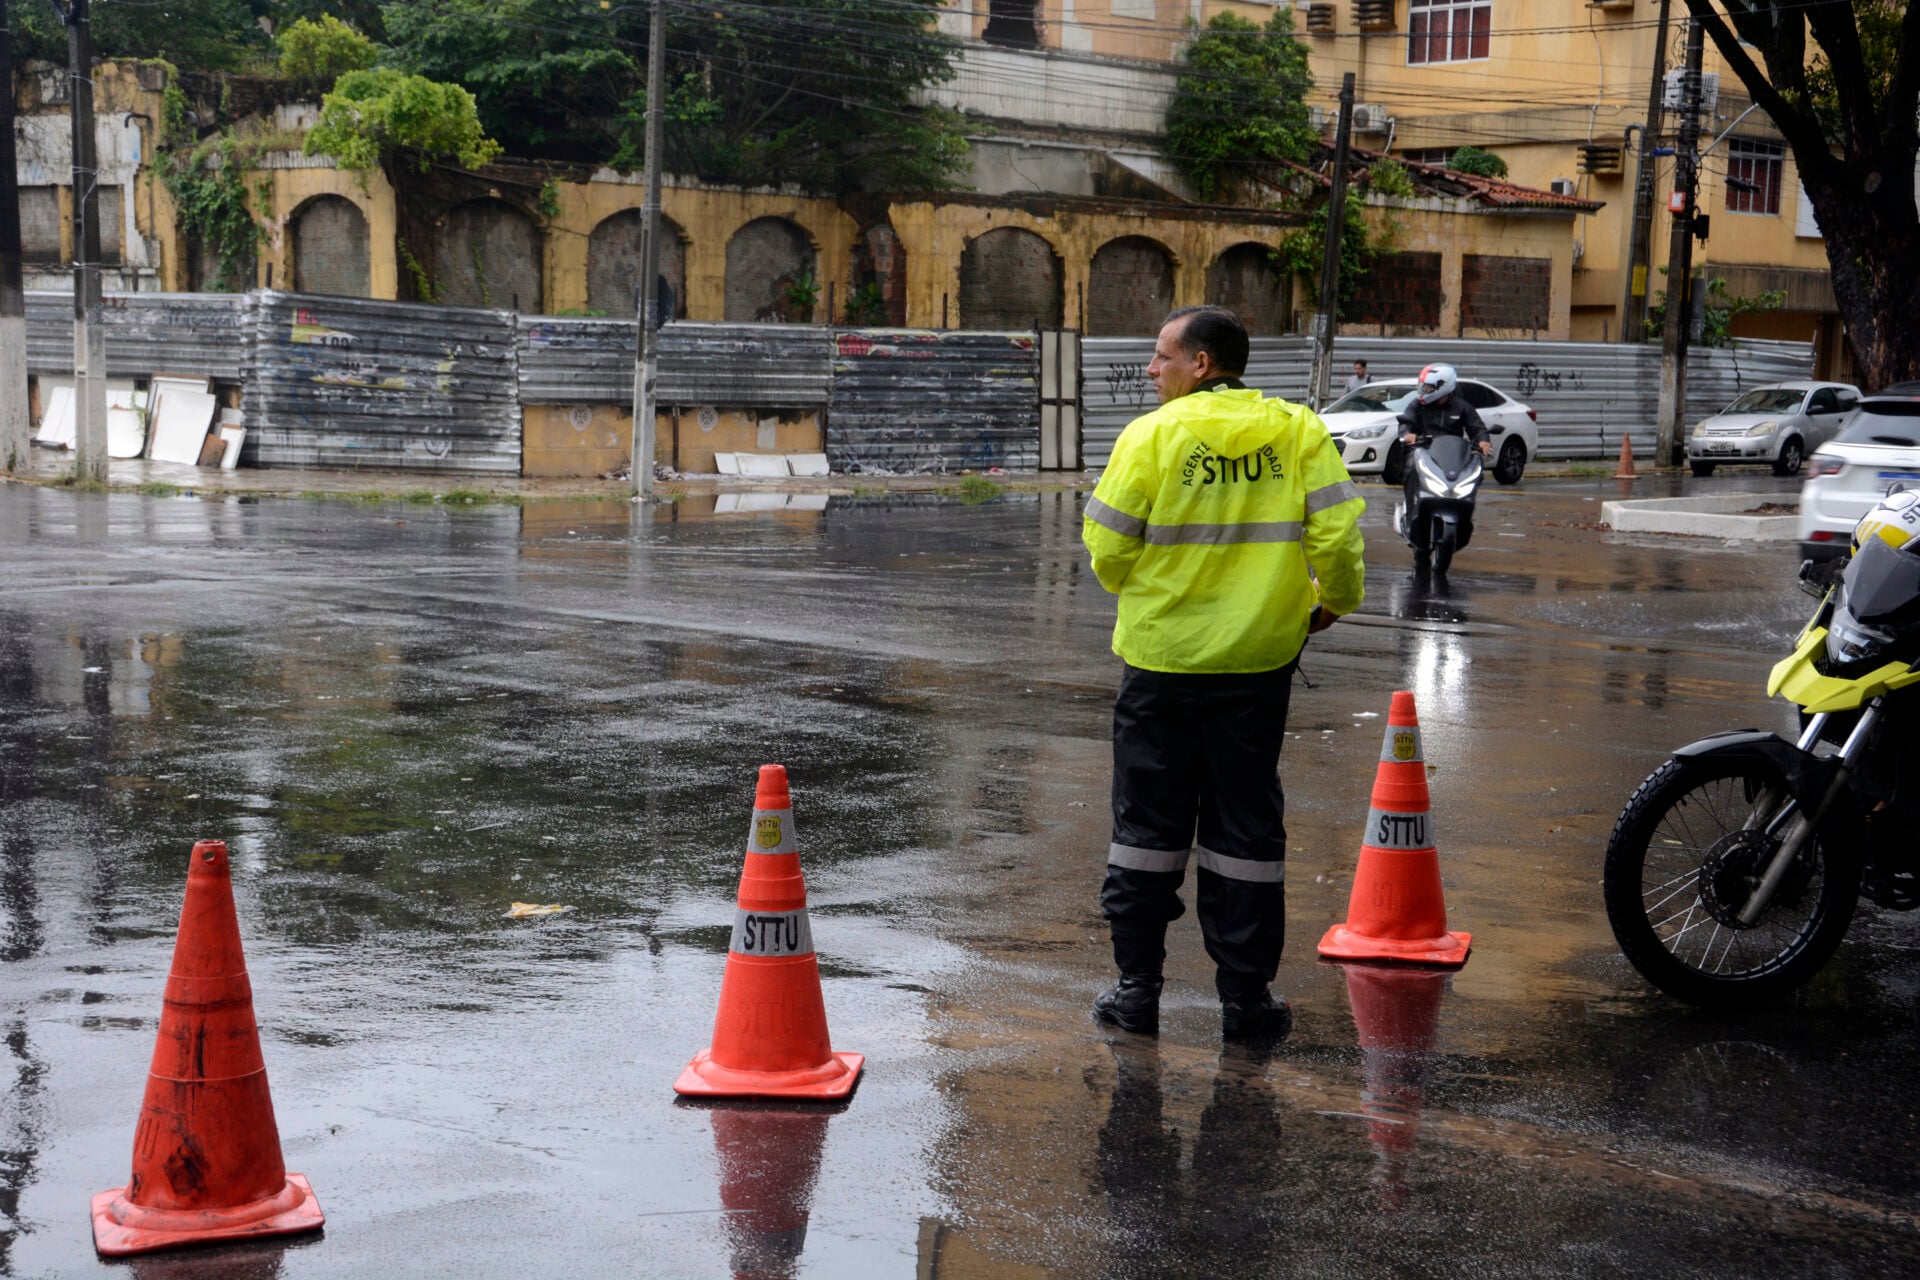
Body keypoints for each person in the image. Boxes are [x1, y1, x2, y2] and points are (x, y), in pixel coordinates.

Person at [1082, 305, 1366, 1043]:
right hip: (1256, 666)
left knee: (1145, 829)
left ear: (1201, 364)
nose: (1151, 369)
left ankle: (1137, 992)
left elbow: (1107, 551)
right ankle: (1246, 1002)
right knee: (1245, 829)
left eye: (1161, 356)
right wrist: (1333, 602)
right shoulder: (1298, 431)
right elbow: (1336, 535)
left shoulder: (1151, 436)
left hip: (1161, 663)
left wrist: (1158, 590)